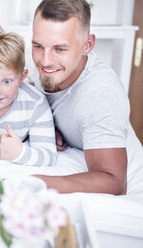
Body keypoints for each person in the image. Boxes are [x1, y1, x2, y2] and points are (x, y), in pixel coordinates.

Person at [31, 0, 130, 194]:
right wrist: (46, 123)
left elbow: (114, 181)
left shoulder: (102, 94)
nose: (45, 61)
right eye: (37, 46)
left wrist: (38, 182)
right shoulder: (36, 62)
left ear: (88, 45)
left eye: (60, 49)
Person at [0, 27, 57, 166]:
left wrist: (19, 153)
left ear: (22, 77)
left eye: (7, 81)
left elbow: (49, 156)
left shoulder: (35, 103)